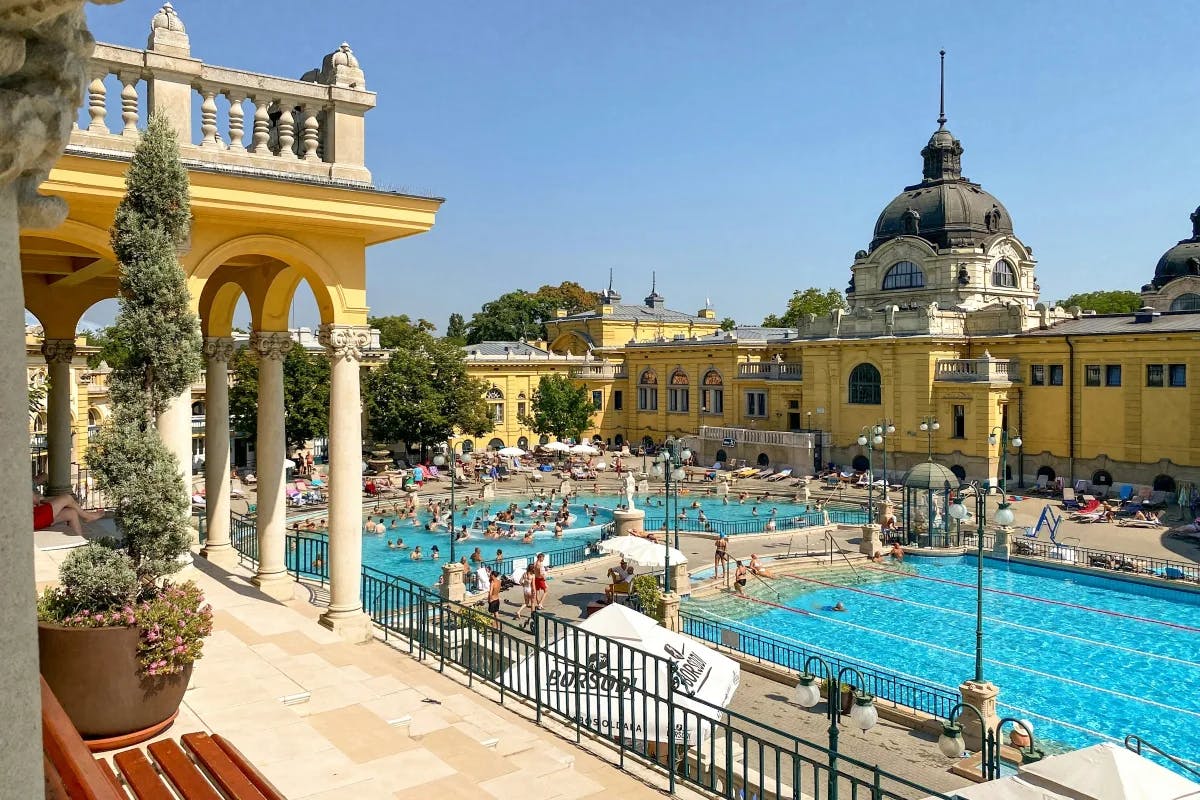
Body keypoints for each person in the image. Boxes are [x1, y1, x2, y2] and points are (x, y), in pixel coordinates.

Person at [31, 491, 103, 536]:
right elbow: (35, 500)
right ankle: (87, 516)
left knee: (71, 513)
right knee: (67, 498)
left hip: (34, 516)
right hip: (34, 518)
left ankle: (79, 548)